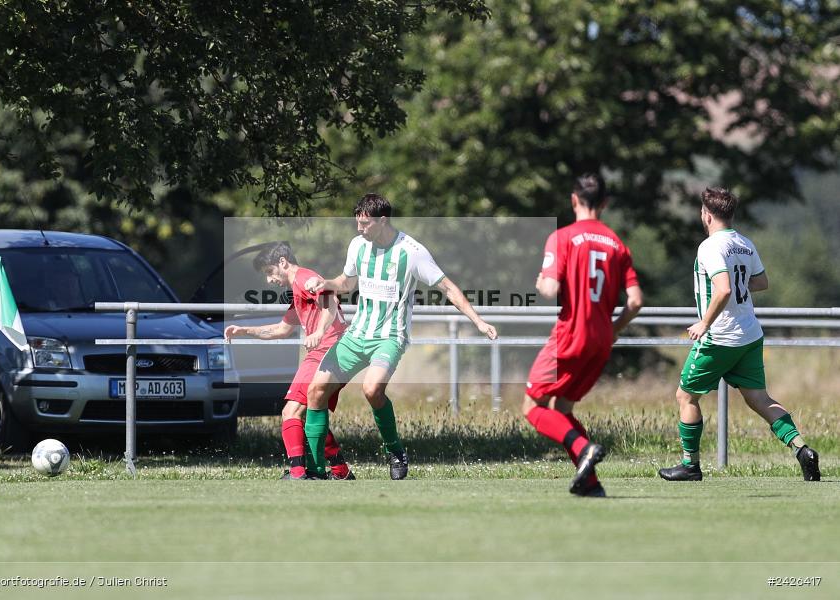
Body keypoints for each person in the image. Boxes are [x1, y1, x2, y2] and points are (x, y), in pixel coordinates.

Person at [303, 193, 498, 480]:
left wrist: (478, 321)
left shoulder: (412, 251)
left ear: (383, 221)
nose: (360, 229)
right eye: (358, 223)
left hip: (390, 336)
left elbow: (448, 288)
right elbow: (346, 282)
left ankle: (395, 451)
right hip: (357, 335)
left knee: (372, 390)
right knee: (315, 391)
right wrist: (325, 283)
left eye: (366, 224)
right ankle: (317, 470)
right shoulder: (358, 245)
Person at [658, 188, 820, 482]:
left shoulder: (709, 247)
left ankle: (690, 466)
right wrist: (736, 280)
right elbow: (761, 282)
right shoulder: (744, 243)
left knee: (686, 397)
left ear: (706, 215)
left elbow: (724, 289)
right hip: (749, 334)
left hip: (720, 336)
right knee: (759, 398)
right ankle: (802, 450)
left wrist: (705, 323)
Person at [525, 173, 644, 497]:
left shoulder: (562, 237)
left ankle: (584, 447)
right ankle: (590, 483)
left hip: (569, 335)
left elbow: (549, 289)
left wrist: (540, 281)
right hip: (601, 340)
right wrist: (614, 330)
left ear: (574, 200)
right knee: (562, 409)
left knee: (532, 407)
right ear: (604, 204)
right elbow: (635, 301)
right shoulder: (618, 244)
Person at [224, 242, 354, 480]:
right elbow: (282, 329)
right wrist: (244, 330)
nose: (269, 280)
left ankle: (297, 472)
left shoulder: (306, 279)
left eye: (269, 272)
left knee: (290, 412)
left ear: (283, 262)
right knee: (311, 412)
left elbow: (330, 303)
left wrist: (319, 332)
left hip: (327, 351)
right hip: (331, 352)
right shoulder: (297, 290)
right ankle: (340, 470)